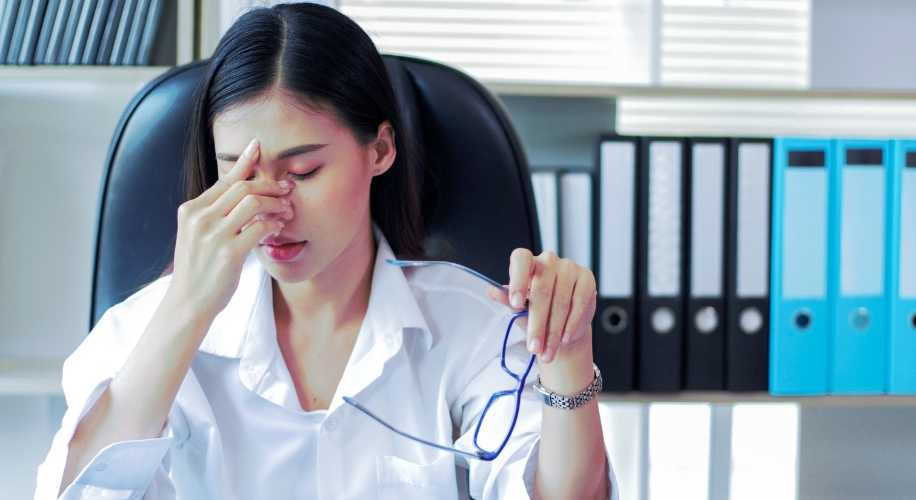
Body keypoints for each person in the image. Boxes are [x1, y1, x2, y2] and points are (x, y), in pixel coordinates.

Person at [36, 3, 617, 499]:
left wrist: (568, 355)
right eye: (236, 172)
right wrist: (187, 309)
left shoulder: (469, 324)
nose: (270, 207)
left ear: (380, 150)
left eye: (305, 171)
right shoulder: (144, 330)